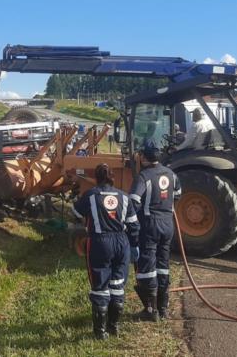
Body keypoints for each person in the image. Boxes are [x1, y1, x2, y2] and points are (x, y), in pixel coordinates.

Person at [72, 164, 140, 339]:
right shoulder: (125, 197)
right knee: (117, 285)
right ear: (112, 178)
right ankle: (113, 326)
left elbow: (76, 211)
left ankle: (99, 332)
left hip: (100, 242)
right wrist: (134, 245)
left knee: (100, 285)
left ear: (96, 178)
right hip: (121, 242)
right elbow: (133, 225)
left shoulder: (91, 195)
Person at [130, 140, 181, 321]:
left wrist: (130, 226)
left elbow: (134, 201)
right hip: (168, 223)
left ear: (144, 157)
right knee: (163, 263)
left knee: (147, 266)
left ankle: (150, 310)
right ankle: (163, 307)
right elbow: (178, 194)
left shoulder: (143, 176)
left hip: (150, 223)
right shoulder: (171, 174)